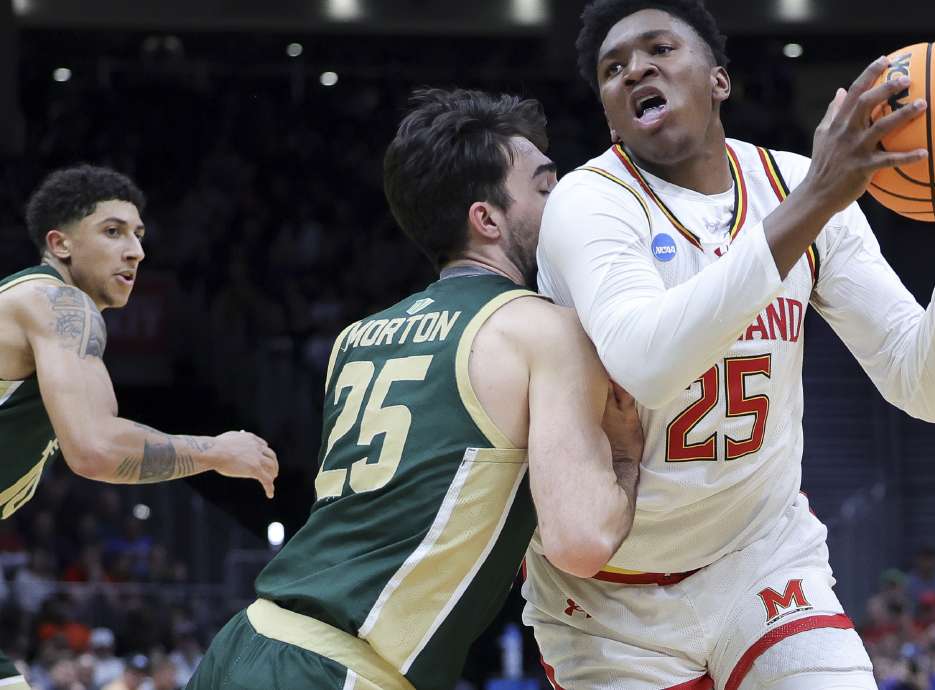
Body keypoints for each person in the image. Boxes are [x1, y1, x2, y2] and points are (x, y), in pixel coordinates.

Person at [523, 1, 935, 688]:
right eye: (612, 69)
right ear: (611, 111)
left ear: (719, 81)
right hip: (612, 596)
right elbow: (646, 361)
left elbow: (926, 385)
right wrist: (818, 198)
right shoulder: (589, 203)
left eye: (659, 49)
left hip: (758, 558)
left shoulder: (797, 186)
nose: (634, 69)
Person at [188, 87, 643, 690]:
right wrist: (628, 456)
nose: (561, 202)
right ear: (486, 218)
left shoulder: (358, 337)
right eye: (543, 187)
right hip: (343, 670)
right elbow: (580, 541)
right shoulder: (540, 328)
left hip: (246, 642)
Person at [0, 165, 280, 690]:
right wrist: (215, 451)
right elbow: (95, 450)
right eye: (112, 232)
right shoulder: (59, 303)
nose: (135, 251)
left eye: (139, 235)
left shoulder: (47, 317)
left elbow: (104, 437)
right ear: (59, 244)